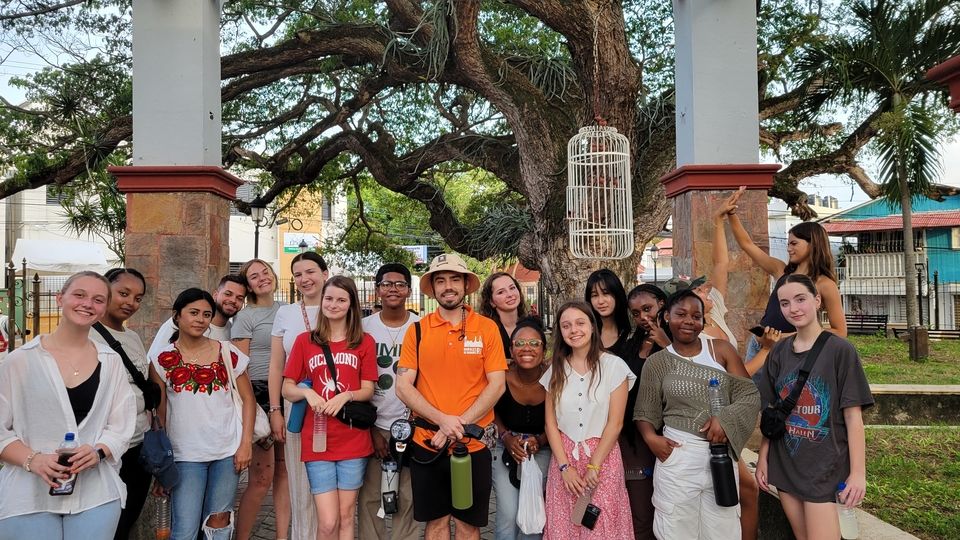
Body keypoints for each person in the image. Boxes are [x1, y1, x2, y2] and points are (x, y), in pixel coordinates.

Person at [0, 271, 136, 539]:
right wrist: (34, 460)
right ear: (60, 298)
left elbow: (121, 424)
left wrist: (97, 451)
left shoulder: (111, 362)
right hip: (28, 494)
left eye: (98, 299)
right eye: (80, 295)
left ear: (104, 308)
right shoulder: (20, 361)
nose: (88, 304)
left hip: (96, 493)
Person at [395, 253, 507, 540]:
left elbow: (497, 385)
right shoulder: (417, 331)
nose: (448, 286)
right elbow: (403, 386)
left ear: (466, 285)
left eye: (454, 279)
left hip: (472, 445)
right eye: (440, 280)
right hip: (427, 444)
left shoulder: (487, 328)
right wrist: (442, 421)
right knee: (435, 524)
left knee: (469, 526)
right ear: (432, 288)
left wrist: (457, 425)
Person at [634, 290, 761, 540]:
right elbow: (645, 412)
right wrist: (651, 439)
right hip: (678, 455)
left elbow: (749, 395)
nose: (689, 321)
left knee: (723, 530)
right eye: (681, 314)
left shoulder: (720, 350)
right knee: (675, 530)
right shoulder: (658, 363)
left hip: (720, 455)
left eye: (696, 316)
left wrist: (726, 420)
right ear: (666, 317)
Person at [755, 275, 873, 540]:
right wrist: (764, 459)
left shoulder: (841, 351)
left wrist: (857, 474)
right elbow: (771, 413)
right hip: (785, 464)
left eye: (800, 299)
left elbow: (854, 419)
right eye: (785, 303)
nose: (793, 308)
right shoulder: (778, 351)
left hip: (824, 467)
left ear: (817, 300)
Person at [282, 276, 377, 540]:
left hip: (352, 439)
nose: (333, 305)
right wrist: (306, 391)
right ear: (322, 301)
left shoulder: (363, 342)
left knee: (346, 517)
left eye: (341, 300)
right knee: (327, 522)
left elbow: (368, 389)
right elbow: (286, 388)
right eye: (329, 298)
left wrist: (346, 395)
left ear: (351, 304)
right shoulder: (305, 341)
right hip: (318, 440)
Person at [716, 188, 847, 367]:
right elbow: (747, 244)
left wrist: (786, 337)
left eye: (794, 243)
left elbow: (840, 331)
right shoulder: (782, 270)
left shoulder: (824, 284)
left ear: (812, 244)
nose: (789, 248)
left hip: (791, 351)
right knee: (750, 392)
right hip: (758, 345)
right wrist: (731, 213)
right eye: (788, 243)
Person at [540, 301, 635, 539]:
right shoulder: (556, 370)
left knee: (601, 527)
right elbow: (550, 424)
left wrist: (595, 464)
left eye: (580, 323)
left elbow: (615, 423)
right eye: (566, 325)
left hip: (603, 459)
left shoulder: (614, 366)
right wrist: (564, 467)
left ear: (592, 326)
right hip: (565, 457)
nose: (574, 330)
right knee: (565, 525)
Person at [585, 270, 654, 539]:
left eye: (606, 293)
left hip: (631, 435)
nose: (601, 300)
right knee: (597, 509)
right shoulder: (584, 337)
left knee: (640, 508)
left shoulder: (635, 337)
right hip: (591, 435)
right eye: (594, 295)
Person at [87, 268, 153, 540]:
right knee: (102, 522)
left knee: (127, 518)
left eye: (138, 298)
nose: (131, 303)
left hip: (138, 443)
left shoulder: (133, 338)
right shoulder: (88, 336)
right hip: (104, 446)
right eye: (123, 293)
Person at [266, 251, 328, 540]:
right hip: (297, 406)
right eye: (299, 274)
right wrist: (275, 409)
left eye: (311, 271)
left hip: (334, 406)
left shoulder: (341, 306)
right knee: (299, 483)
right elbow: (276, 365)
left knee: (331, 485)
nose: (305, 279)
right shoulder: (286, 313)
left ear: (325, 274)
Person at [358, 263, 421, 540]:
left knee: (407, 497)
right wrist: (371, 429)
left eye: (399, 284)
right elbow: (354, 379)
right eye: (386, 284)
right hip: (373, 423)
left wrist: (416, 420)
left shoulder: (421, 327)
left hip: (412, 424)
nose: (392, 289)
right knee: (371, 498)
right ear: (377, 290)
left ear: (409, 290)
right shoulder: (362, 328)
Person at [233, 259, 288, 540]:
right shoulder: (245, 317)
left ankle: (281, 535)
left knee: (284, 474)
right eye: (254, 276)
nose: (263, 278)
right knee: (261, 478)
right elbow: (239, 366)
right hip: (259, 395)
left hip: (286, 392)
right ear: (248, 285)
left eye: (265, 271)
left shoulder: (286, 310)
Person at [492, 317, 550, 540]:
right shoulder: (501, 376)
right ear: (510, 349)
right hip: (504, 446)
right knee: (508, 514)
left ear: (544, 350)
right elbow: (490, 411)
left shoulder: (554, 377)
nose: (527, 348)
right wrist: (506, 437)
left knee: (532, 514)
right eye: (519, 343)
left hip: (542, 449)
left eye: (535, 344)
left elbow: (562, 417)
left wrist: (541, 441)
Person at [148, 275, 247, 360]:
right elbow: (154, 360)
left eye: (239, 298)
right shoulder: (180, 323)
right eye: (228, 294)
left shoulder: (233, 331)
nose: (233, 300)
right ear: (215, 295)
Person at [480, 272, 528, 360]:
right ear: (491, 302)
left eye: (512, 288)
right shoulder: (486, 331)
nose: (510, 294)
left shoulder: (531, 326)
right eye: (501, 292)